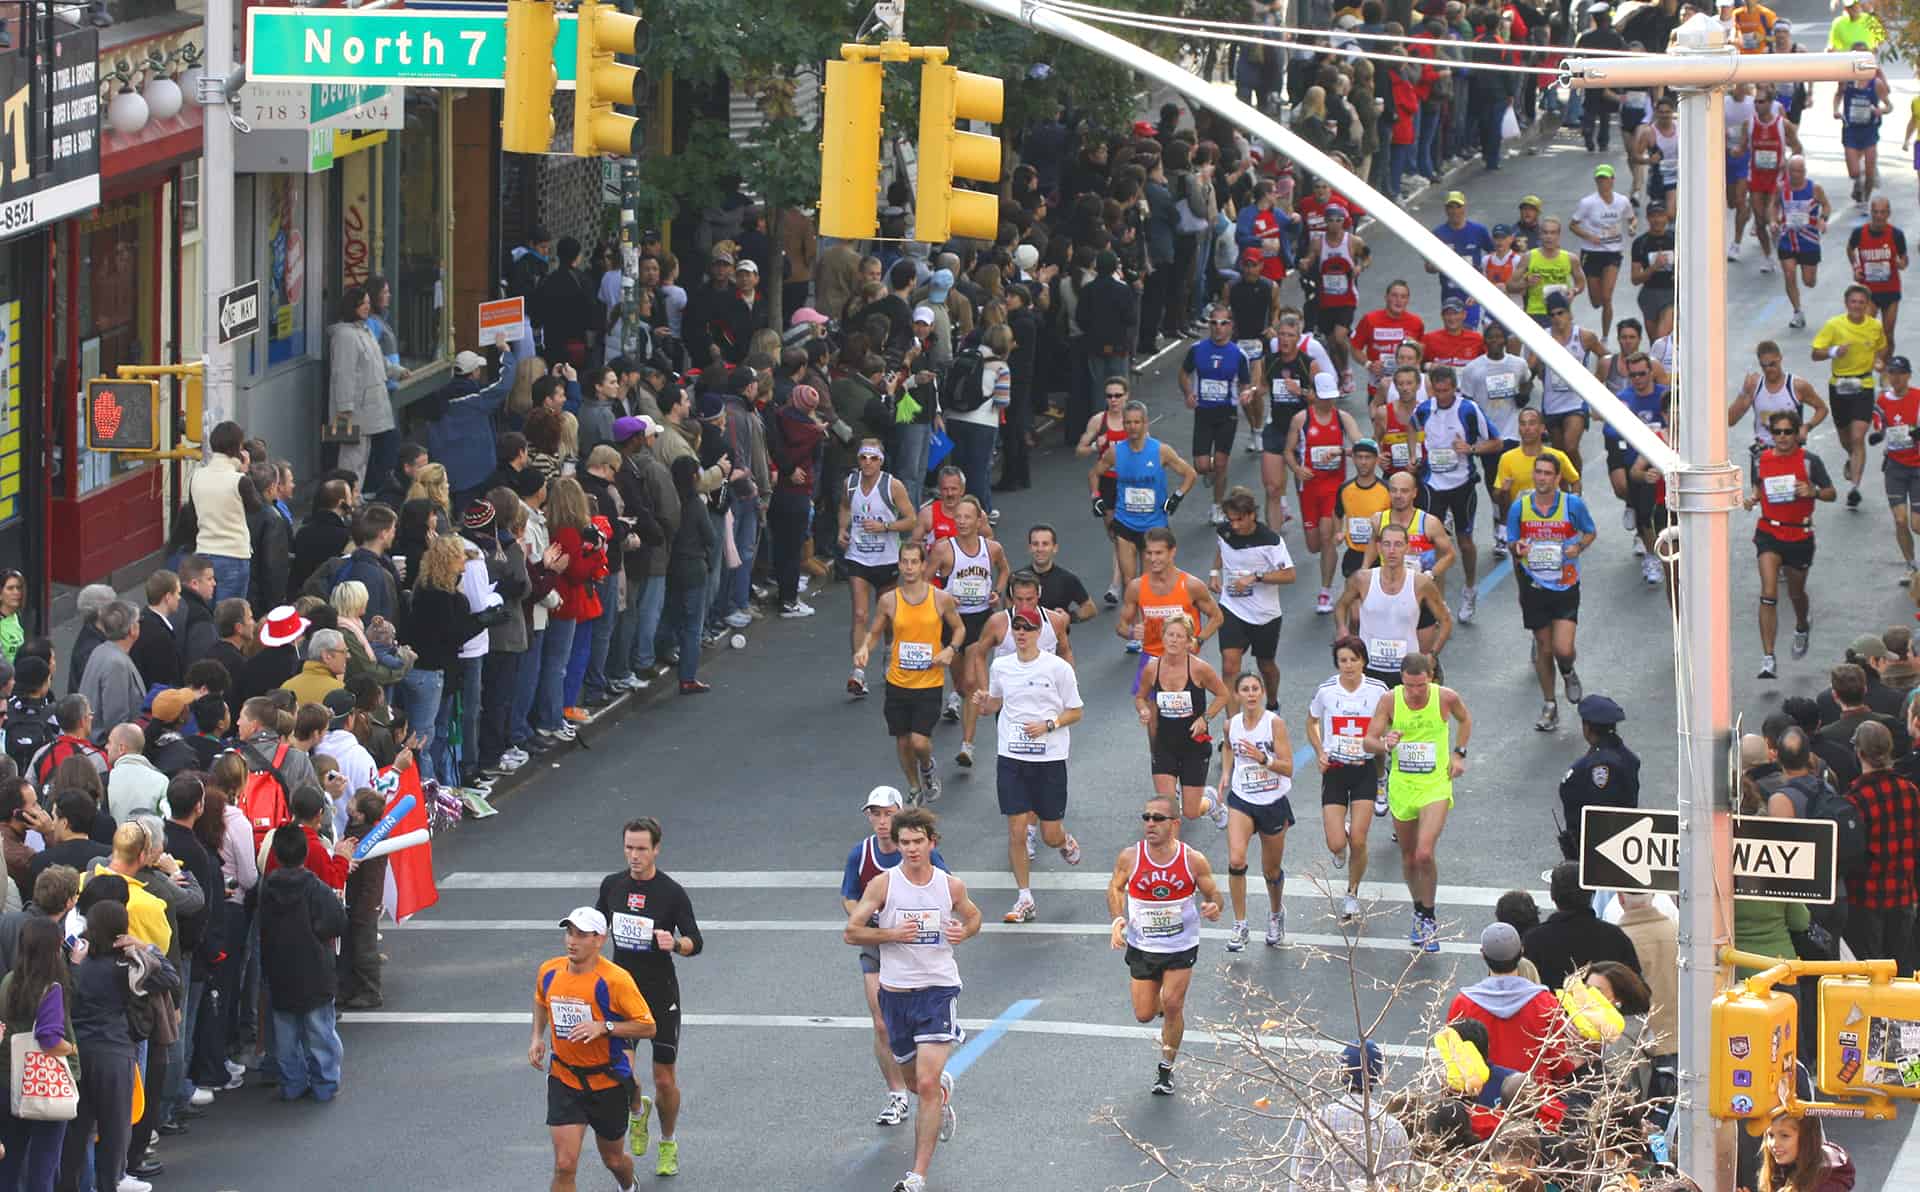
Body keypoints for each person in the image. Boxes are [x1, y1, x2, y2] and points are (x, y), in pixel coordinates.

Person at [841, 808, 982, 1192]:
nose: (911, 848)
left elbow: (974, 917)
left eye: (918, 841)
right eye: (905, 842)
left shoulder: (949, 886)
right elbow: (851, 933)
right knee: (914, 1082)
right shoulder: (883, 886)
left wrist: (962, 932)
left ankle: (917, 1175)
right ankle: (939, 1094)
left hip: (938, 990)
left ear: (931, 842)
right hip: (896, 994)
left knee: (925, 1078)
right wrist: (891, 935)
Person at [592, 818, 702, 1177]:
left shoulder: (671, 892)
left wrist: (677, 945)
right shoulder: (612, 886)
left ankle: (668, 1141)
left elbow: (694, 940)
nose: (634, 856)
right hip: (621, 992)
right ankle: (637, 1112)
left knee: (664, 1078)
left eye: (641, 848)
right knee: (621, 1073)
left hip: (659, 994)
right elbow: (596, 930)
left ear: (656, 849)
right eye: (629, 847)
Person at [839, 787, 950, 1128]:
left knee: (915, 1027)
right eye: (875, 813)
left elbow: (944, 890)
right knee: (881, 1023)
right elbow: (849, 897)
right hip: (878, 944)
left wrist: (950, 927)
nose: (882, 821)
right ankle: (897, 1095)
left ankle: (928, 1080)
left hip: (917, 949)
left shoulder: (923, 852)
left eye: (888, 813)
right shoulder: (862, 853)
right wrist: (871, 918)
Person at [530, 907, 656, 1192]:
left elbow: (648, 1027)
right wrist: (537, 1036)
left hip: (607, 1082)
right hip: (565, 1079)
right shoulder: (549, 971)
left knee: (612, 1159)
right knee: (564, 1165)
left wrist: (605, 1027)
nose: (572, 941)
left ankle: (628, 1186)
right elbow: (540, 1000)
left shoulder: (616, 980)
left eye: (581, 935)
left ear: (599, 940)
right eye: (569, 933)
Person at [1107, 793, 1222, 1096]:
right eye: (1146, 817)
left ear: (1174, 823)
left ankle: (1166, 1067)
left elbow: (1215, 895)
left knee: (1173, 1005)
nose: (1150, 824)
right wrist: (1118, 920)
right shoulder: (1130, 856)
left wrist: (1213, 907)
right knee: (1144, 1014)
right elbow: (1116, 887)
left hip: (1180, 946)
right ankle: (1162, 1002)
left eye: (1157, 818)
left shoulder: (1192, 859)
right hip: (1143, 945)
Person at [975, 608, 1083, 924]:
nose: (1021, 633)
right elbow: (996, 702)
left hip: (1049, 759)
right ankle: (1025, 898)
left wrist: (1049, 724)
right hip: (1011, 757)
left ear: (1039, 633)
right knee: (1017, 830)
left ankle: (1063, 841)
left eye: (1028, 627)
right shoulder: (1001, 666)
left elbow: (1076, 712)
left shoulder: (1058, 668)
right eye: (1017, 628)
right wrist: (985, 705)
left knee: (1049, 834)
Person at [1363, 652, 1471, 953]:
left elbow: (1465, 719)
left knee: (1424, 853)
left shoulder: (1445, 698)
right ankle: (1418, 909)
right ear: (1402, 680)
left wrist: (1459, 753)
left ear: (1431, 678)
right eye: (1409, 685)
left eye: (1421, 685)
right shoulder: (1389, 701)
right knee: (1409, 857)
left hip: (1435, 785)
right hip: (1403, 786)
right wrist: (1385, 742)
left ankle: (1429, 915)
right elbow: (1368, 741)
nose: (1415, 691)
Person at [855, 542, 964, 804]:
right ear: (899, 565)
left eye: (915, 561)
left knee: (919, 742)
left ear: (924, 565)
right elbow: (876, 632)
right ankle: (914, 786)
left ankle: (926, 766)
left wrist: (950, 649)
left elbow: (959, 629)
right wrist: (864, 650)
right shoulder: (889, 600)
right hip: (898, 682)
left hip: (929, 682)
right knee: (903, 741)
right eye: (905, 561)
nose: (909, 567)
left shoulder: (940, 598)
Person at [1506, 453, 1599, 731]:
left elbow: (1590, 532)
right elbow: (1512, 540)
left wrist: (1578, 547)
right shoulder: (1520, 508)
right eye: (1538, 472)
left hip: (1565, 584)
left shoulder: (1572, 505)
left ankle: (1568, 671)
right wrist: (1517, 548)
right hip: (1533, 585)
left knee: (1563, 648)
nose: (1542, 478)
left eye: (1548, 473)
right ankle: (1549, 704)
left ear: (1558, 478)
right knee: (1544, 649)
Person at [1746, 408, 1837, 678]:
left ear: (1797, 434)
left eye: (1788, 432)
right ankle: (1768, 657)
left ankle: (1801, 625)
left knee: (1796, 594)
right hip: (1769, 532)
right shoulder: (1761, 459)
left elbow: (1832, 493)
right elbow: (1756, 487)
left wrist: (1814, 491)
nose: (1782, 437)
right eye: (1777, 432)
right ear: (1771, 434)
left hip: (1800, 535)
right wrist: (1751, 499)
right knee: (1769, 592)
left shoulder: (1810, 461)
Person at [1310, 637, 1392, 919]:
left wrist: (1384, 740)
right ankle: (1340, 842)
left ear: (1363, 661)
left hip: (1364, 770)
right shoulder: (1326, 691)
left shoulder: (1379, 690)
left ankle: (1352, 893)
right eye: (1343, 660)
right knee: (1336, 844)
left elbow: (1390, 719)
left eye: (1353, 659)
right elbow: (1312, 721)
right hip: (1334, 770)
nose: (1348, 665)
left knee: (1359, 839)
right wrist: (1320, 751)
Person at [1089, 399, 1198, 610]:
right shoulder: (1116, 452)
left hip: (1154, 526)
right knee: (1130, 583)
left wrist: (1176, 497)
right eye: (1128, 422)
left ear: (1146, 423)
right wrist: (1096, 497)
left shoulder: (1160, 451)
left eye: (1137, 422)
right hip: (1125, 523)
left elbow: (1190, 474)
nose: (1132, 427)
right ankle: (1135, 631)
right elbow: (1094, 473)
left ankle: (1149, 625)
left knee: (1149, 582)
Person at [928, 497, 1009, 758]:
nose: (962, 522)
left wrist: (996, 591)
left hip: (980, 619)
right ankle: (957, 694)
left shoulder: (992, 548)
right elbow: (925, 580)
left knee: (973, 680)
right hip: (952, 621)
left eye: (967, 517)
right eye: (958, 517)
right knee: (962, 683)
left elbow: (1005, 570)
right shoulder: (943, 549)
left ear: (978, 520)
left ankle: (967, 745)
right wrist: (944, 597)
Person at [1219, 670, 1294, 951]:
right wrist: (1227, 773)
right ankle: (1240, 925)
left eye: (1255, 689)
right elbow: (1228, 748)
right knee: (1236, 860)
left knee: (1270, 870)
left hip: (1273, 801)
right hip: (1242, 798)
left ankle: (1276, 914)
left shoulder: (1274, 725)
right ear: (1237, 695)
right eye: (1245, 689)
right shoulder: (1231, 725)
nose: (1250, 694)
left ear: (1262, 693)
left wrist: (1263, 758)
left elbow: (1288, 766)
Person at [1135, 611, 1231, 828]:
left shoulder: (1198, 668)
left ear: (1189, 642)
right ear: (1163, 637)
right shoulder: (1153, 668)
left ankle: (1212, 802)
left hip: (1194, 746)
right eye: (1170, 635)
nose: (1174, 640)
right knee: (1168, 810)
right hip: (1164, 745)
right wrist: (1143, 710)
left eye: (1179, 636)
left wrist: (1205, 718)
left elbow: (1224, 694)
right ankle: (1170, 856)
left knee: (1191, 812)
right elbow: (1140, 697)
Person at [0, 915, 74, 1190]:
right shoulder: (51, 988)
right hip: (42, 1084)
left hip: (7, 1079)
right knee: (43, 1162)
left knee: (11, 1159)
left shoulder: (8, 981)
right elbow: (49, 1039)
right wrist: (72, 1048)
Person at [1444, 922, 1571, 1080]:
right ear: (1521, 952)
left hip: (1481, 1100)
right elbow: (1560, 1062)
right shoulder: (1546, 1002)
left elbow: (1453, 1061)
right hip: (1535, 1097)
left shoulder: (1463, 1003)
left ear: (1483, 954)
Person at [1841, 720, 1920, 971]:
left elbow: (1853, 854)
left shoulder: (1856, 799)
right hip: (1904, 893)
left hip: (1866, 898)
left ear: (1859, 753)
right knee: (1900, 971)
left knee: (1871, 972)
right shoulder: (1910, 791)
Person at [1335, 522, 1452, 690]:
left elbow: (1446, 621)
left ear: (1407, 548)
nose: (1392, 550)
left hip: (1406, 671)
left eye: (1398, 545)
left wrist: (1432, 656)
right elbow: (1341, 606)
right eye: (1387, 544)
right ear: (1378, 547)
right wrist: (1342, 629)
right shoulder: (1362, 579)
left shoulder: (1421, 583)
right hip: (1368, 669)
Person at [840, 440, 915, 697]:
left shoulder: (892, 485)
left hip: (887, 559)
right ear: (858, 460)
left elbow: (911, 520)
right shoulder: (850, 484)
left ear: (881, 460)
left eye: (873, 458)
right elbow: (844, 507)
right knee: (860, 614)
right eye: (864, 458)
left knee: (888, 617)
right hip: (858, 558)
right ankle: (858, 672)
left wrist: (885, 528)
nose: (868, 463)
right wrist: (842, 529)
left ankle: (887, 654)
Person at [1284, 372, 1363, 613]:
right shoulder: (1301, 419)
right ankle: (1324, 577)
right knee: (1314, 544)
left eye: (1332, 397)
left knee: (1328, 536)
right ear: (1314, 395)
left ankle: (1325, 592)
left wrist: (1341, 451)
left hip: (1334, 487)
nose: (1329, 402)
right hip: (1308, 488)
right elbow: (1288, 451)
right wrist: (1297, 469)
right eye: (1324, 397)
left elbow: (1361, 446)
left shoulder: (1343, 418)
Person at [1211, 487, 1295, 700]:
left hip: (1264, 614)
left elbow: (1289, 575)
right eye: (1231, 520)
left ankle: (1273, 702)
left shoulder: (1271, 541)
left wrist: (1256, 577)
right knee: (1230, 666)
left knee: (1265, 665)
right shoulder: (1225, 532)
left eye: (1239, 520)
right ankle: (1232, 728)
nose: (1235, 525)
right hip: (1232, 607)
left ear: (1252, 515)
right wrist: (1214, 572)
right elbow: (1222, 549)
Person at [1814, 284, 1891, 511]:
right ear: (1846, 303)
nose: (1857, 306)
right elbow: (1815, 353)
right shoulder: (1833, 325)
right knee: (1846, 439)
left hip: (1864, 384)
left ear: (1867, 305)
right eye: (1853, 302)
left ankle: (1854, 488)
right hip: (1839, 385)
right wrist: (1833, 352)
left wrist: (1878, 361)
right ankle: (1852, 458)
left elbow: (1882, 348)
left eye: (1861, 302)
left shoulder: (1874, 326)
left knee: (1858, 437)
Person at [1179, 306, 1257, 521]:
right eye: (1214, 323)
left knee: (1221, 463)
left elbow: (1245, 383)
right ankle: (1212, 472)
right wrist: (1188, 393)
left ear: (1231, 326)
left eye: (1223, 323)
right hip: (1203, 413)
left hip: (1227, 414)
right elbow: (1184, 374)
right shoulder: (1197, 349)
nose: (1218, 328)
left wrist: (1246, 394)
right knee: (1202, 466)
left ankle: (1217, 506)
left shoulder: (1238, 354)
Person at [327, 285, 408, 482]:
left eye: (368, 303)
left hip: (367, 408)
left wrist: (398, 372)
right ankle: (345, 496)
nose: (366, 307)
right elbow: (342, 374)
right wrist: (344, 408)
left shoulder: (364, 330)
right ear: (351, 306)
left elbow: (379, 360)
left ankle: (353, 496)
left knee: (361, 458)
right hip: (353, 410)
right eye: (362, 303)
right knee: (351, 459)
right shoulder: (345, 336)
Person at [1522, 862, 1642, 992]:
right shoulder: (1615, 938)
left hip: (1550, 1011)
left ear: (1553, 895)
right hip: (1603, 1011)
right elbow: (1637, 992)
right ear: (1591, 893)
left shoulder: (1534, 940)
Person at [1556, 695, 1642, 859]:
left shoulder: (1599, 766)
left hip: (1597, 853)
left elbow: (1601, 816)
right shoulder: (1627, 757)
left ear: (1587, 728)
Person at [185, 421, 254, 603]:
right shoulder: (240, 481)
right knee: (229, 616)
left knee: (204, 612)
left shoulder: (197, 476)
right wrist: (245, 471)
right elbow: (256, 508)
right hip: (234, 554)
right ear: (238, 448)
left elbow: (192, 515)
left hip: (204, 552)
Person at [1569, 164, 1634, 338]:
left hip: (1613, 252)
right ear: (1596, 182)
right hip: (1591, 253)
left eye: (1606, 178)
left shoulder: (1622, 201)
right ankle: (1598, 306)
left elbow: (1631, 218)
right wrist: (1589, 236)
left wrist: (1632, 227)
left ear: (1613, 180)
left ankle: (1605, 336)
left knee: (1607, 297)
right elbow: (1573, 225)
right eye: (1600, 179)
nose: (1603, 182)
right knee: (1596, 301)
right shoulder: (1587, 203)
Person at [1757, 1107, 1855, 1192]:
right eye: (1770, 1135)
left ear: (1807, 1138)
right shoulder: (1783, 1167)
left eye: (1785, 1136)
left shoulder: (1827, 1184)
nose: (1774, 1144)